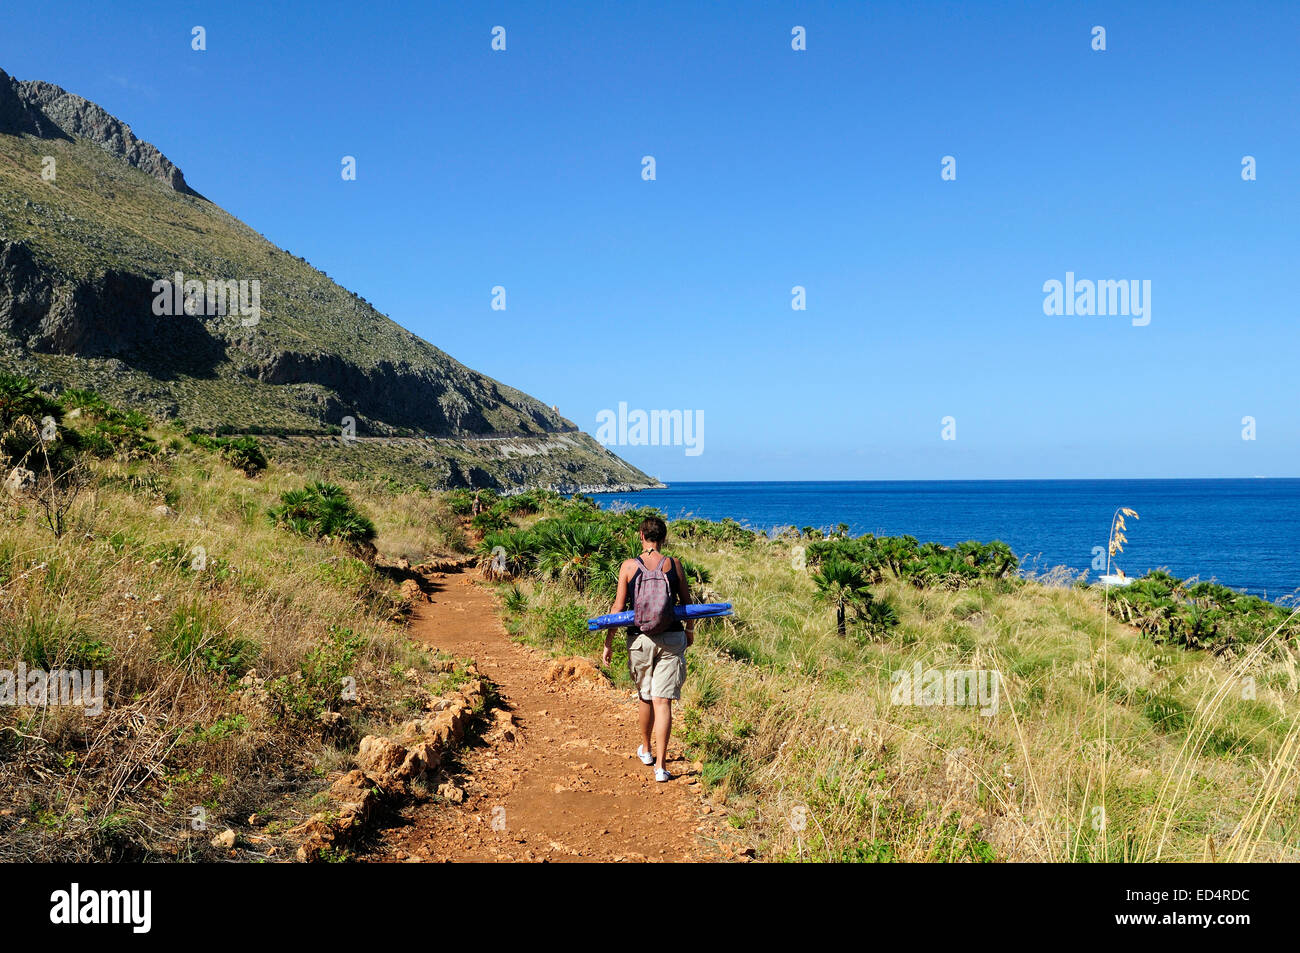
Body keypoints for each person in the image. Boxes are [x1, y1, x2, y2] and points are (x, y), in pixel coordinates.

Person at [602, 516, 693, 782]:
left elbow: (618, 608)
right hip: (672, 637)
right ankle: (661, 767)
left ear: (641, 535)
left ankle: (647, 750)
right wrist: (689, 631)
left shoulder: (629, 566)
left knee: (645, 695)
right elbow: (686, 604)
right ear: (663, 538)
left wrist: (608, 642)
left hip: (640, 639)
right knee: (663, 701)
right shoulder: (673, 565)